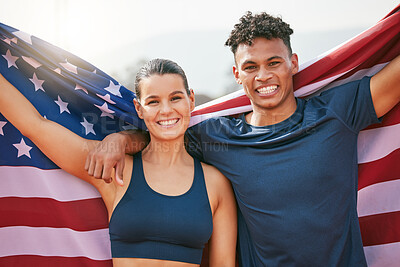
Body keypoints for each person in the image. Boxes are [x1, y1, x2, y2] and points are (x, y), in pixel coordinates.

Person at [85, 12, 400, 266]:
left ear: (293, 63)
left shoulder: (338, 112)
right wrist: (119, 141)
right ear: (237, 74)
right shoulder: (218, 138)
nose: (263, 76)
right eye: (251, 66)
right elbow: (161, 136)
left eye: (273, 62)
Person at [0, 58, 237, 267]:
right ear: (139, 109)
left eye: (175, 98)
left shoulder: (215, 184)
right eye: (153, 102)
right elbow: (35, 126)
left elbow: (224, 264)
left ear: (191, 100)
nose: (166, 110)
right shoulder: (114, 170)